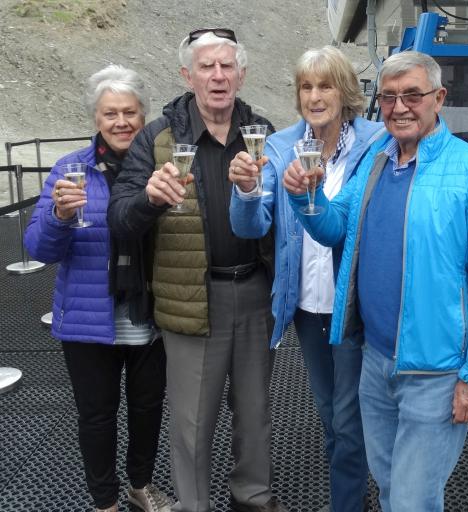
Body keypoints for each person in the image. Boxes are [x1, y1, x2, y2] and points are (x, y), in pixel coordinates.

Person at [283, 51, 468, 512]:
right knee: (391, 488)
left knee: (413, 500)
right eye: (389, 97)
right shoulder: (376, 157)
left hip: (435, 370)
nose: (400, 106)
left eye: (412, 94)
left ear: (439, 98)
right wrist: (306, 198)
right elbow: (336, 228)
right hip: (375, 362)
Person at [107, 29, 286, 512]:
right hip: (189, 297)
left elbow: (285, 216)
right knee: (192, 423)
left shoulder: (265, 132)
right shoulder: (158, 137)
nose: (218, 75)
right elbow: (119, 218)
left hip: (254, 291)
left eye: (227, 66)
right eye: (206, 66)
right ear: (187, 75)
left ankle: (252, 498)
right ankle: (195, 506)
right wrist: (148, 198)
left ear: (242, 74)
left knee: (254, 414)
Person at [228, 46, 384, 512]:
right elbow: (251, 227)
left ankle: (348, 502)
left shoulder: (376, 142)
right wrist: (248, 190)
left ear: (346, 91)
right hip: (308, 308)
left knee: (347, 417)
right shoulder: (280, 147)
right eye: (306, 86)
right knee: (330, 415)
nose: (315, 96)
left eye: (326, 85)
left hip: (355, 305)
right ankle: (352, 496)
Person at [24, 65, 171, 512]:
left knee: (147, 409)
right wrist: (60, 219)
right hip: (90, 318)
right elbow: (38, 247)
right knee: (97, 415)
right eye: (111, 113)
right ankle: (104, 501)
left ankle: (140, 486)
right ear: (96, 118)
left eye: (130, 112)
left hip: (149, 313)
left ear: (144, 116)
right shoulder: (71, 169)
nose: (122, 122)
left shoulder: (163, 168)